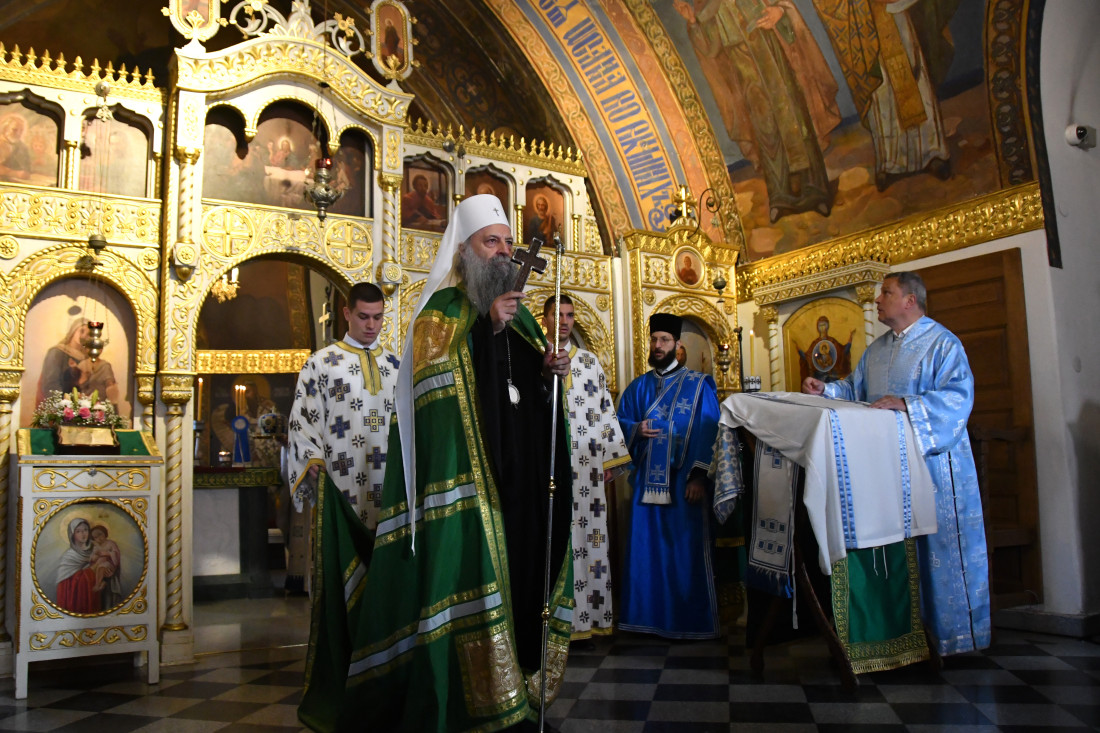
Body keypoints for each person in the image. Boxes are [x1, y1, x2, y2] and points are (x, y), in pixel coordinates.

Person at [299, 194, 573, 732]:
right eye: (490, 242)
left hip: (518, 490)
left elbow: (527, 403)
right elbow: (439, 397)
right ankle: (469, 703)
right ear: (466, 252)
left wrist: (547, 373)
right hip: (469, 492)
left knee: (522, 582)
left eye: (508, 242)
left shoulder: (523, 321)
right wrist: (486, 330)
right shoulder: (440, 315)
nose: (503, 253)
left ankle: (517, 690)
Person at [802, 271, 990, 656]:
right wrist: (828, 389)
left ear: (910, 300)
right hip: (889, 469)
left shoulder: (942, 343)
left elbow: (958, 398)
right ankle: (907, 637)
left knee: (938, 548)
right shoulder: (878, 348)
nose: (878, 299)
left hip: (935, 466)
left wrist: (908, 404)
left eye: (886, 293)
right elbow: (856, 390)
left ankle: (954, 640)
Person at [674, 0, 839, 222]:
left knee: (794, 118)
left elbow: (783, 6)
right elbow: (710, 48)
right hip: (744, 70)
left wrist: (780, 12)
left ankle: (815, 188)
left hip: (772, 51)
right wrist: (693, 22)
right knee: (765, 128)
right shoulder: (709, 5)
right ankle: (780, 195)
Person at [616, 313, 721, 639]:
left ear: (677, 345)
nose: (657, 345)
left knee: (682, 555)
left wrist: (699, 478)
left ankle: (688, 623)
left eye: (664, 340)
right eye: (654, 339)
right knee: (647, 552)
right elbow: (618, 426)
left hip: (682, 485)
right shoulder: (638, 387)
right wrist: (635, 430)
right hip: (647, 486)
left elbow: (710, 431)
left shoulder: (698, 385)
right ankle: (647, 621)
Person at [542, 294, 629, 642]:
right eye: (556, 315)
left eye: (569, 315)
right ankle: (554, 622)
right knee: (555, 537)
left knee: (590, 540)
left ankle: (590, 618)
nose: (563, 321)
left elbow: (605, 408)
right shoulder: (535, 357)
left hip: (588, 468)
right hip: (550, 466)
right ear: (544, 318)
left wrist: (609, 457)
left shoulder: (591, 363)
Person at [286, 282, 399, 534]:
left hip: (389, 479)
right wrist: (311, 457)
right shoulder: (321, 363)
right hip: (341, 476)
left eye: (378, 317)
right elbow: (301, 419)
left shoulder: (396, 365)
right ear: (348, 314)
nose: (371, 326)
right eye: (363, 317)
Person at [811, 0, 956, 191]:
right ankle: (890, 162)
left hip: (897, 12)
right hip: (864, 22)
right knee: (882, 92)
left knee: (914, 75)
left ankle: (932, 153)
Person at [56, 517, 100, 614]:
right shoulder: (69, 556)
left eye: (85, 530)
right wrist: (93, 569)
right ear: (72, 534)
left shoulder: (96, 548)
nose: (83, 534)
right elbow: (65, 586)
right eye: (78, 531)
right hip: (77, 598)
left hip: (96, 595)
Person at [797, 315, 855, 383]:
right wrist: (799, 350)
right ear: (817, 328)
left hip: (832, 376)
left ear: (827, 327)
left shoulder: (832, 341)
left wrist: (850, 341)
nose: (822, 328)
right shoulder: (815, 343)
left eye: (824, 325)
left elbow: (842, 353)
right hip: (819, 376)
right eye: (820, 326)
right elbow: (808, 358)